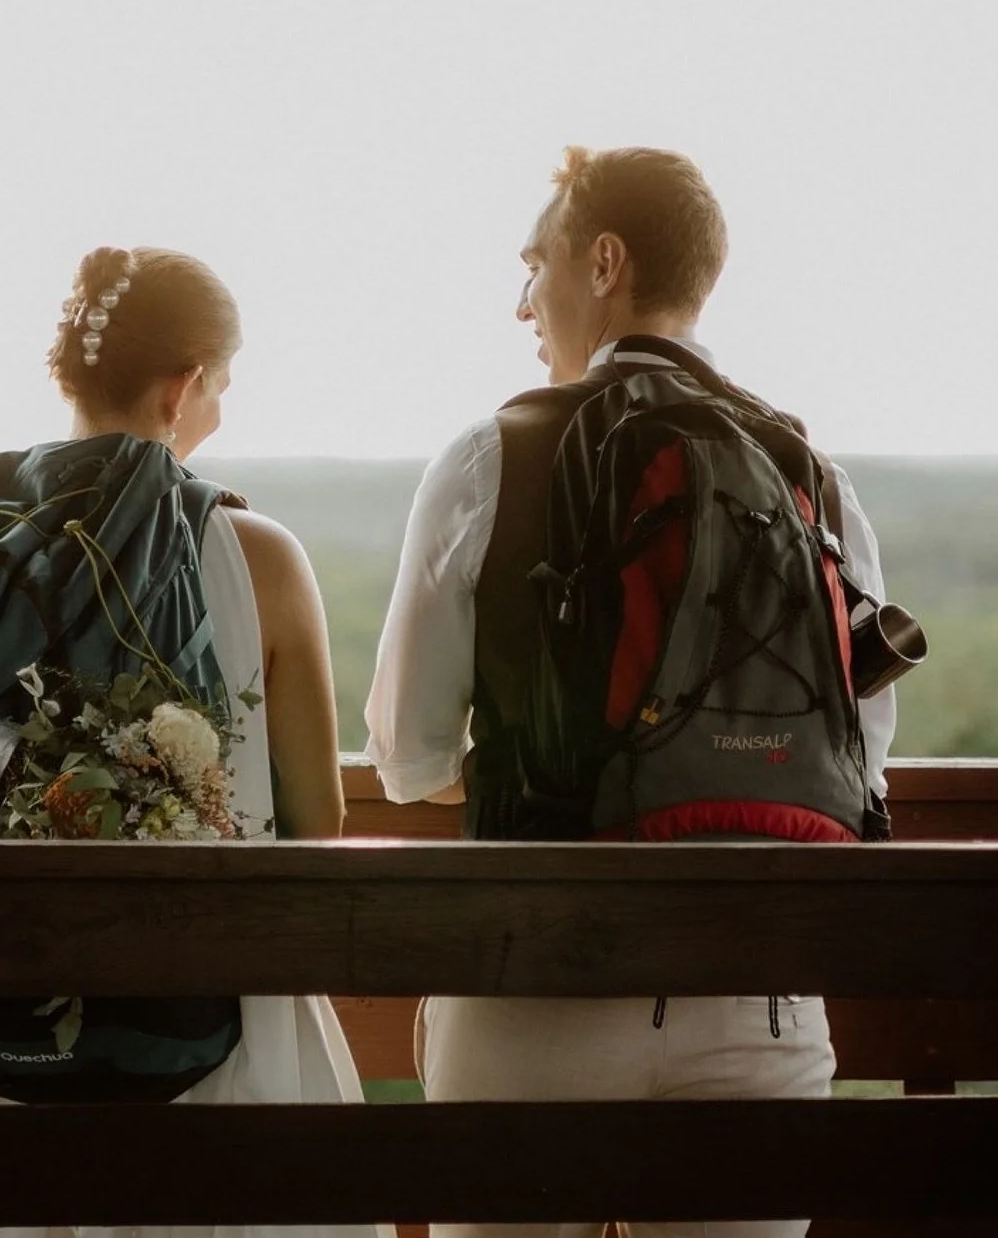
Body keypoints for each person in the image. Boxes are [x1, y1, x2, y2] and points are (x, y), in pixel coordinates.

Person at [365, 146, 898, 1238]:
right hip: (763, 1001)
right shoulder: (809, 473)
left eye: (535, 264)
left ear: (604, 262)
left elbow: (408, 758)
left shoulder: (495, 453)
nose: (523, 302)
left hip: (538, 984)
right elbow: (863, 754)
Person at [0, 243, 374, 1238]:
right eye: (222, 387)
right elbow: (316, 823)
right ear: (182, 388)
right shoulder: (258, 557)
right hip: (195, 1052)